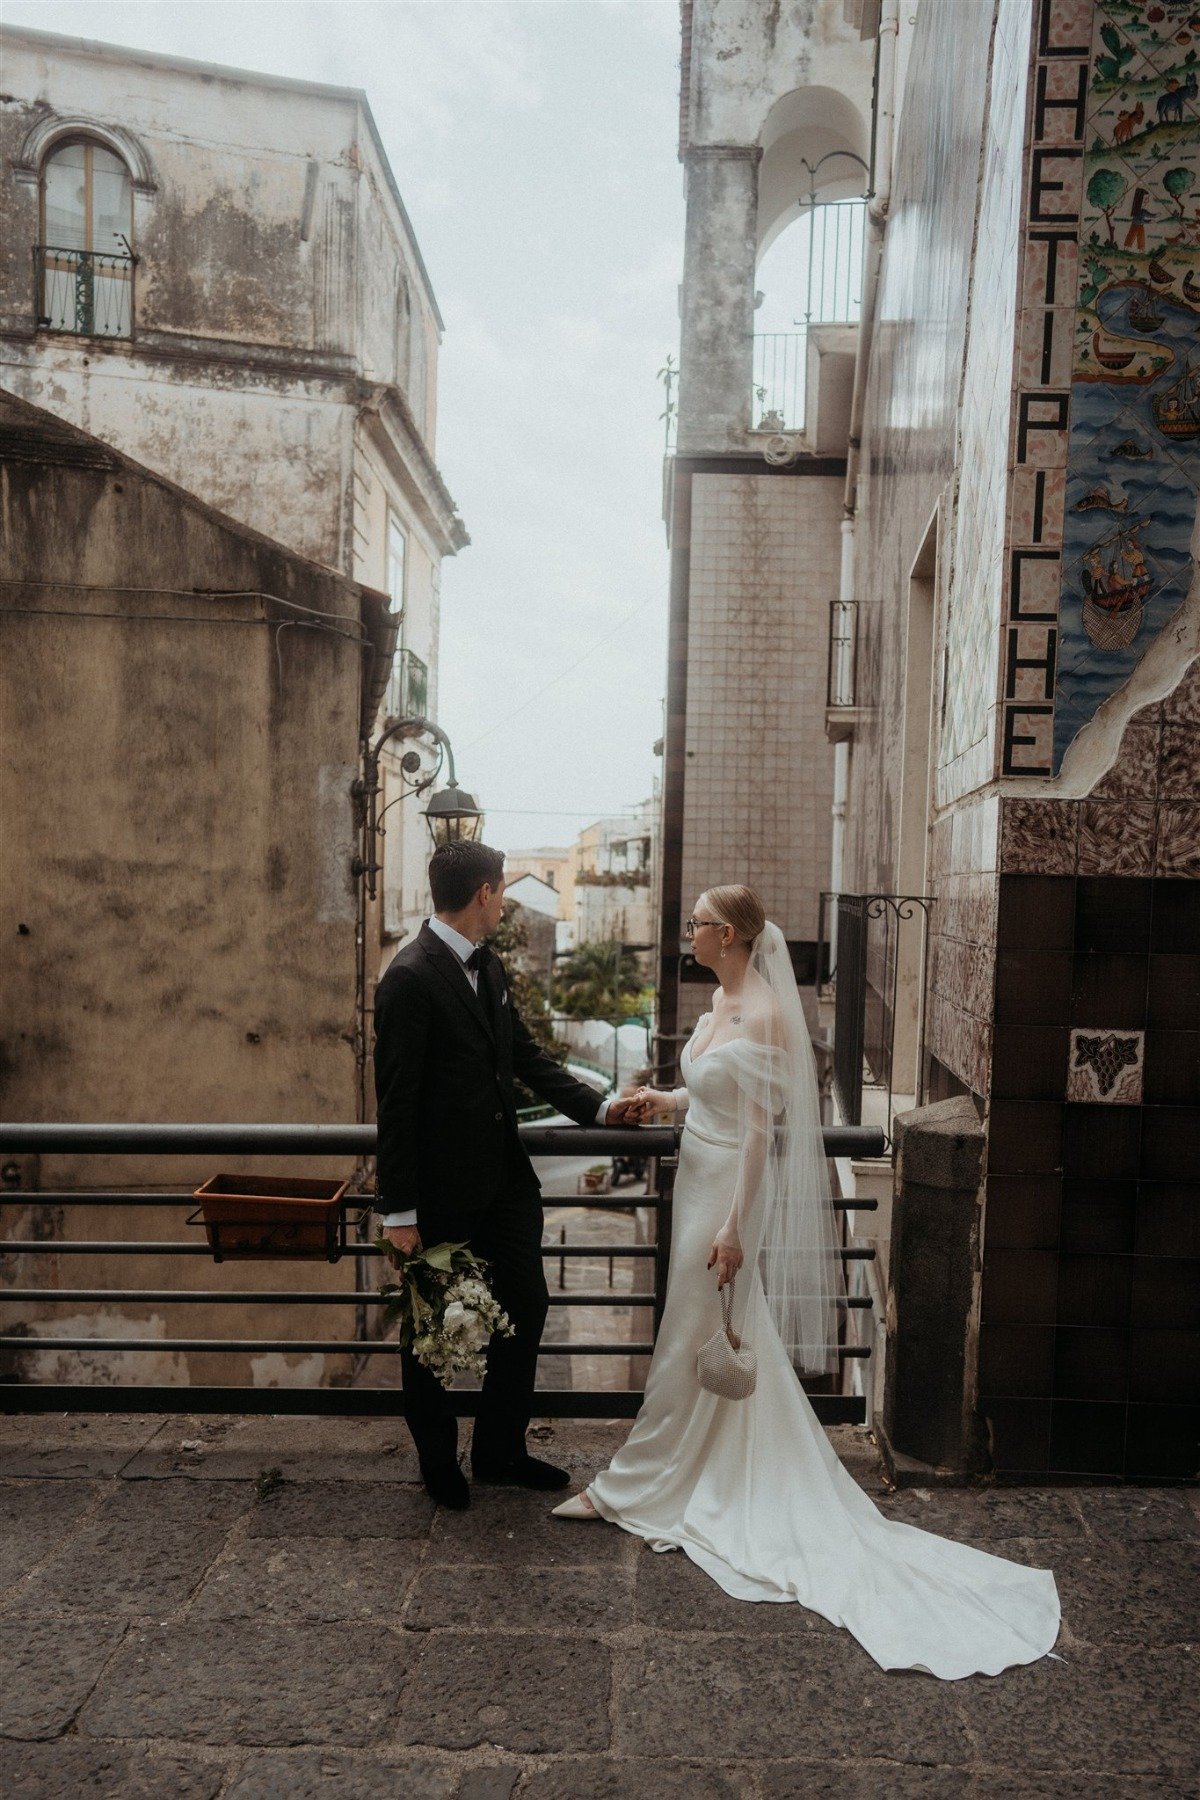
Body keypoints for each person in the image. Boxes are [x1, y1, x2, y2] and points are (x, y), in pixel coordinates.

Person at [552, 885, 1062, 1680]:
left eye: (695, 923)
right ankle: (682, 1468)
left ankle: (632, 1484)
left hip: (726, 1192)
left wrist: (732, 1228)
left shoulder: (763, 1011)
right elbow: (712, 1088)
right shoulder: (718, 1000)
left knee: (691, 1328)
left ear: (725, 933)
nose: (687, 932)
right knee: (695, 1329)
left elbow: (761, 1131)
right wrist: (667, 1098)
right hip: (695, 1171)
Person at [374, 839, 640, 1509]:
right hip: (437, 1194)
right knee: (435, 1328)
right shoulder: (408, 978)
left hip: (505, 1187)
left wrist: (602, 1108)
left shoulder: (487, 969)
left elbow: (526, 1057)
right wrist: (398, 1213)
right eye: (502, 892)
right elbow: (396, 1102)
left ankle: (499, 1452)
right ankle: (438, 1463)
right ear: (485, 894)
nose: (504, 905)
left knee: (527, 1308)